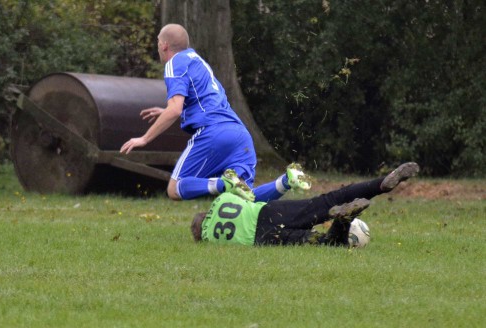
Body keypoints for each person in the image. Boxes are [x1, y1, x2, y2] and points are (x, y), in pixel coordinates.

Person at [120, 23, 308, 202]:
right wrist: (165, 111)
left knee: (175, 189)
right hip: (239, 133)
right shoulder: (198, 61)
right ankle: (286, 181)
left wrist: (144, 139)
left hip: (213, 132)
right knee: (245, 198)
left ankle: (223, 183)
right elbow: (201, 102)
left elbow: (176, 109)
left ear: (164, 45)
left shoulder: (174, 63)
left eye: (158, 42)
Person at [191, 162, 420, 246]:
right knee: (328, 200)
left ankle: (343, 220)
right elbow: (251, 195)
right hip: (268, 212)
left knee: (320, 243)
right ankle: (380, 184)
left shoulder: (211, 238)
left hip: (264, 238)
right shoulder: (223, 200)